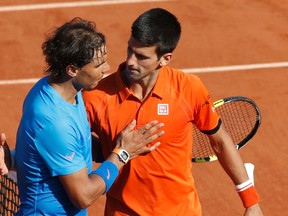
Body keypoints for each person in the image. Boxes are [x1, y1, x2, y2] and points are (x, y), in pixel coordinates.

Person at [82, 8, 263, 216]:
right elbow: (73, 142)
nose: (131, 61)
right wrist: (113, 150)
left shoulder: (188, 88)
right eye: (130, 49)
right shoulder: (96, 96)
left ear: (165, 58)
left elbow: (220, 142)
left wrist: (251, 202)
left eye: (142, 57)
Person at [0, 17, 165, 215]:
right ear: (72, 70)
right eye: (98, 65)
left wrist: (10, 159)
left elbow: (63, 149)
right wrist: (123, 153)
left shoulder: (61, 91)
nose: (106, 69)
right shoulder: (55, 121)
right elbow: (83, 196)